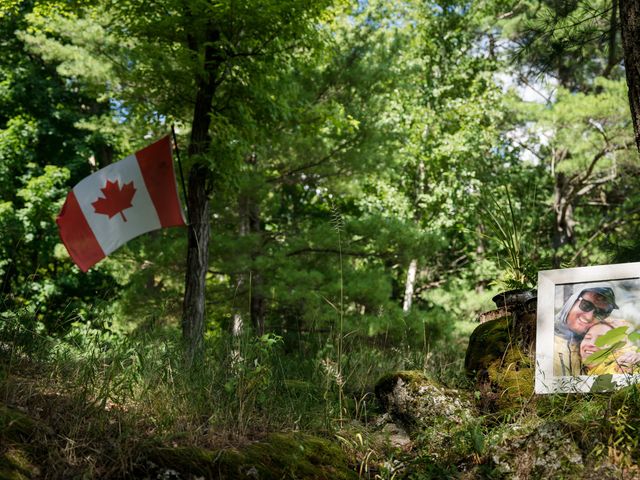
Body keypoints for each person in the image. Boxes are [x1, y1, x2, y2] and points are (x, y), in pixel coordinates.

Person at [554, 286, 618, 376]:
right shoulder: (541, 336)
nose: (589, 317)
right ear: (572, 301)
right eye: (586, 305)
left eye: (600, 312)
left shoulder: (588, 346)